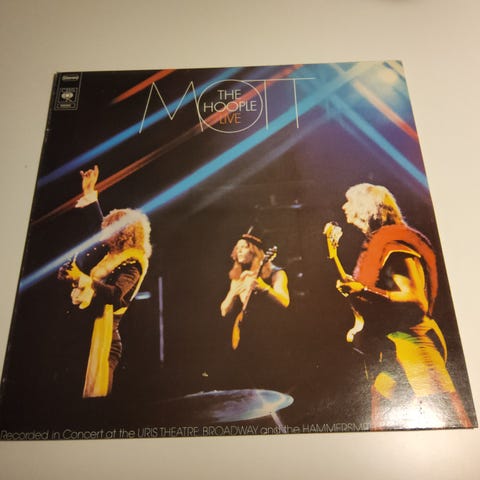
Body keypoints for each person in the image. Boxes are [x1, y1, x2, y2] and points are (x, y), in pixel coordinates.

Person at [333, 183, 472, 429]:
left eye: (350, 201)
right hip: (396, 344)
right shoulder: (382, 244)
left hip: (415, 343)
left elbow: (416, 301)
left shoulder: (395, 247)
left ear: (367, 207)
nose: (344, 206)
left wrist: (363, 290)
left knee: (445, 413)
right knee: (381, 404)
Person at [58, 165, 152, 398]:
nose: (104, 232)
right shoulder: (109, 254)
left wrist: (82, 279)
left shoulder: (132, 262)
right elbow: (95, 224)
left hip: (107, 338)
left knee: (96, 400)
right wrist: (90, 192)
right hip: (86, 332)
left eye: (110, 229)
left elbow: (116, 295)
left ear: (124, 233)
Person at [219, 229, 290, 388]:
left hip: (270, 336)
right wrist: (233, 293)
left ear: (254, 250)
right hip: (246, 337)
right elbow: (224, 311)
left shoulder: (276, 274)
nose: (239, 251)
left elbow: (284, 301)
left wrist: (263, 287)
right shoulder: (238, 278)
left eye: (243, 247)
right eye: (237, 248)